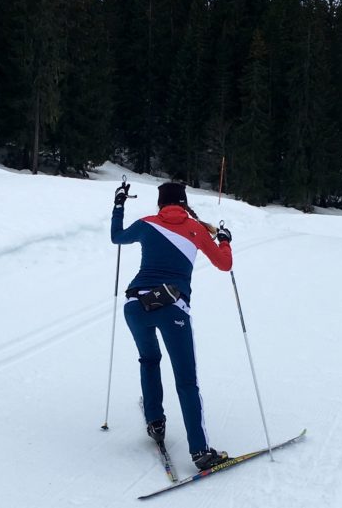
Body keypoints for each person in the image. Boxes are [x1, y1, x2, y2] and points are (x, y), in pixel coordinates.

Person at [110, 181, 234, 470]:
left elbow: (117, 237)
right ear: (183, 202)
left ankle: (155, 423)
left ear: (160, 203)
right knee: (186, 380)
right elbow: (224, 264)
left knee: (149, 359)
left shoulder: (147, 223)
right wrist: (224, 239)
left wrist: (119, 205)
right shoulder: (197, 229)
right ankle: (200, 452)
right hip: (171, 307)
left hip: (134, 306)